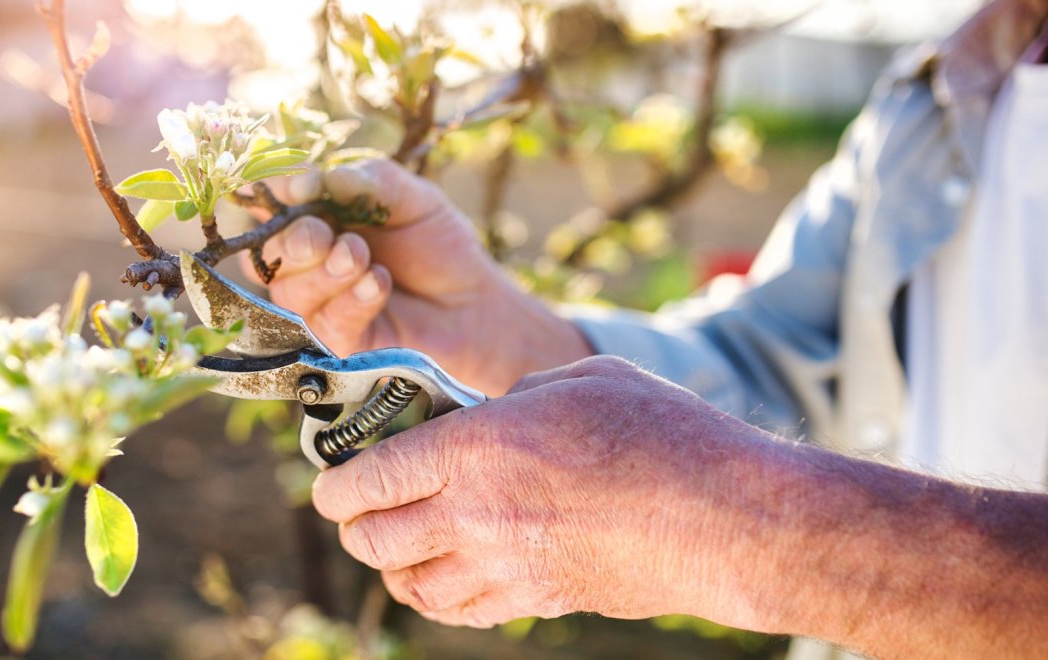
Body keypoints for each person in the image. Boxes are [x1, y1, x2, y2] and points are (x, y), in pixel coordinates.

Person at [243, 0, 1048, 656]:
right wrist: (489, 325)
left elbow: (748, 496)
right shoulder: (940, 94)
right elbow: (772, 364)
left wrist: (751, 528)